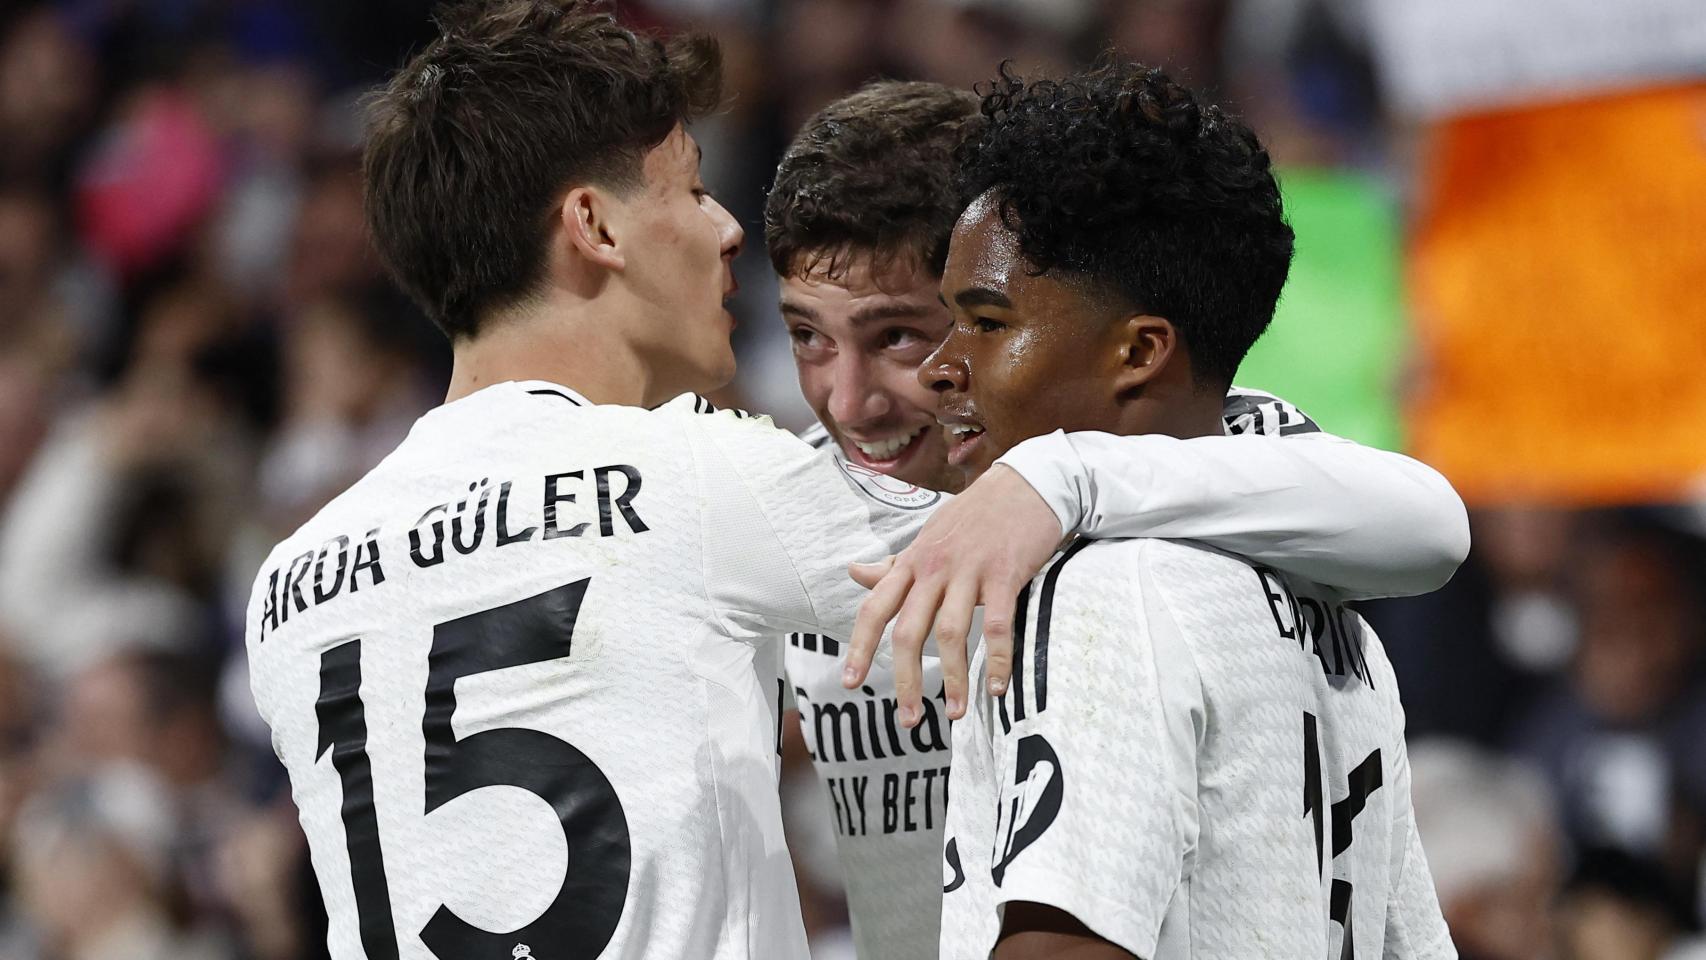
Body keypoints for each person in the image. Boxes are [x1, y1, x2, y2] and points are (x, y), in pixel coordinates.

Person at [245, 4, 1374, 957]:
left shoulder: (289, 587)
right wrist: (1068, 475)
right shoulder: (700, 481)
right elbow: (1396, 522)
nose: (726, 224)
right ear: (591, 227)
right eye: (686, 191)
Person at [765, 80, 1469, 957]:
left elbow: (1434, 524)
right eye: (807, 337)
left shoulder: (1119, 559)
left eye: (911, 333)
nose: (853, 400)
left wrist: (1059, 475)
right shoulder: (776, 508)